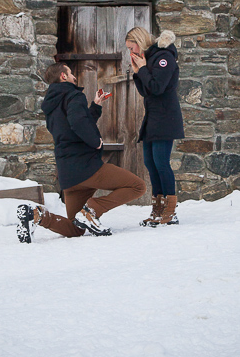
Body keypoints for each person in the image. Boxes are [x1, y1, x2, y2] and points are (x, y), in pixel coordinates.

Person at [16, 61, 146, 243]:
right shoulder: (73, 95)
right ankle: (91, 211)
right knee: (137, 186)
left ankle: (37, 215)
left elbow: (73, 124)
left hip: (68, 173)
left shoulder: (52, 105)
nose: (74, 77)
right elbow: (78, 123)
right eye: (70, 73)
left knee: (76, 228)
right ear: (63, 76)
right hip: (86, 166)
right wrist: (97, 142)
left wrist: (95, 106)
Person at [125, 27, 184, 227]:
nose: (131, 51)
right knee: (151, 164)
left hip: (165, 117)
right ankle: (157, 210)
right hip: (153, 117)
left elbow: (157, 88)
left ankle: (170, 211)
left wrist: (142, 69)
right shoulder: (149, 60)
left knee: (161, 163)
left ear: (139, 41)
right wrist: (137, 72)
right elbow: (146, 91)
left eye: (131, 46)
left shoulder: (163, 57)